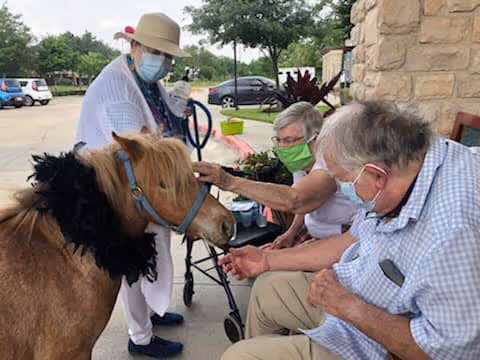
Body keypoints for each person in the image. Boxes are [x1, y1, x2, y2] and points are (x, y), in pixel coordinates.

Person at [220, 100, 480, 360]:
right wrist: (266, 260)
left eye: (341, 179)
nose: (340, 187)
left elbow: (448, 352)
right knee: (269, 287)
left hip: (374, 342)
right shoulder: (409, 163)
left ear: (377, 175)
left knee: (239, 356)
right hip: (355, 293)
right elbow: (350, 239)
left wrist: (347, 306)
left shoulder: (451, 235)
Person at [75, 13, 190, 358]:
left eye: (168, 56)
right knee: (133, 261)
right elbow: (143, 152)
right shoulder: (117, 91)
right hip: (113, 188)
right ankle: (140, 337)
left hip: (133, 183)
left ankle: (153, 312)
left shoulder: (142, 77)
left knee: (153, 250)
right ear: (135, 46)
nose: (164, 62)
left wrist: (180, 100)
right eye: (157, 52)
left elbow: (164, 113)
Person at [193, 102, 356, 249]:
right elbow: (305, 205)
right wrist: (291, 233)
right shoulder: (301, 163)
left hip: (344, 237)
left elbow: (295, 199)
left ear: (316, 138)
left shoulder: (329, 164)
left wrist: (228, 182)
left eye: (289, 140)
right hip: (317, 232)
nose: (282, 148)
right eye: (279, 140)